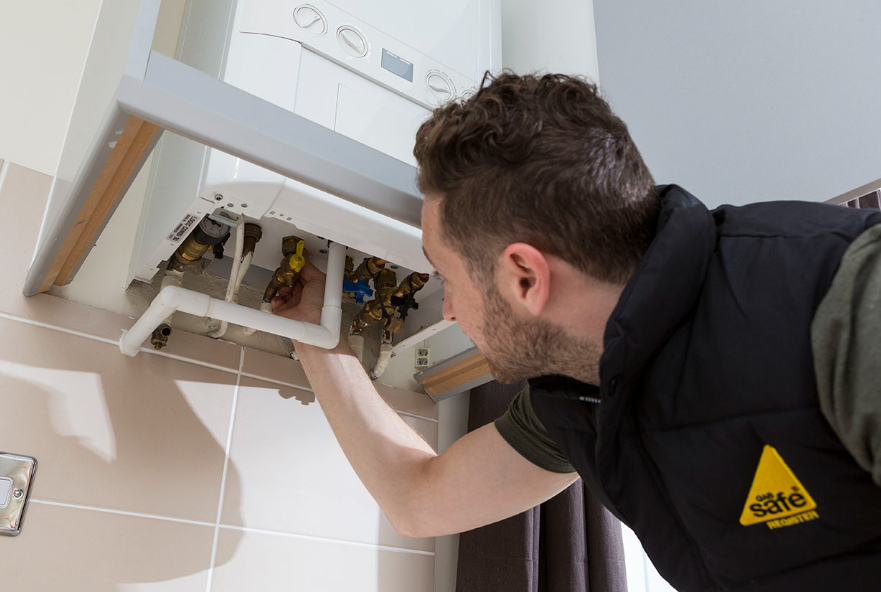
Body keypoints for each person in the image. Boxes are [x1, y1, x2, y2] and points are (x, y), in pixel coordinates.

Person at [272, 72, 881, 592]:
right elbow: (417, 500)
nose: (449, 309)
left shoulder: (846, 296)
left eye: (446, 276)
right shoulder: (581, 395)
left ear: (525, 277)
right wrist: (314, 329)